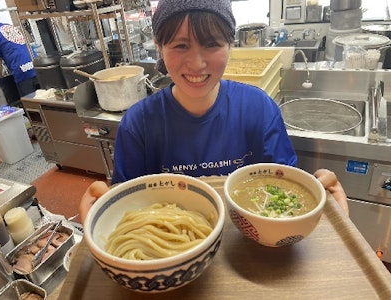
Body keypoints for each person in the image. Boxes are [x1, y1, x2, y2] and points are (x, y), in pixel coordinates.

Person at [80, 0, 349, 224]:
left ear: (230, 44)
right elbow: (126, 209)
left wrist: (322, 205)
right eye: (180, 45)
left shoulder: (258, 108)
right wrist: (102, 216)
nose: (197, 63)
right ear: (159, 46)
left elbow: (284, 191)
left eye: (211, 44)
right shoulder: (138, 124)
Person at [0, 16, 39, 98]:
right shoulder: (7, 26)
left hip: (22, 71)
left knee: (32, 105)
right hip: (36, 64)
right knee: (46, 99)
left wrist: (0, 77)